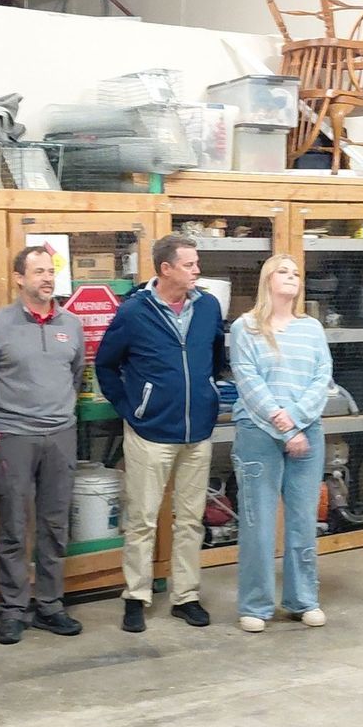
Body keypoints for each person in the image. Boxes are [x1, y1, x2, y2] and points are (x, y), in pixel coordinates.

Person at [94, 233, 227, 633]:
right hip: (150, 434)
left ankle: (185, 596)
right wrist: (132, 410)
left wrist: (207, 397)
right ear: (165, 268)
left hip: (197, 433)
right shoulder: (134, 312)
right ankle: (136, 596)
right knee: (142, 519)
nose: (197, 270)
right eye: (189, 264)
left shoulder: (208, 308)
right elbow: (106, 365)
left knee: (190, 520)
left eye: (197, 263)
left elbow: (216, 359)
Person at [0, 245, 85, 645]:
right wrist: (11, 418)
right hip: (14, 435)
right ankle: (13, 610)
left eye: (50, 270)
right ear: (19, 278)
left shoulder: (71, 324)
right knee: (15, 526)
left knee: (55, 524)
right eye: (38, 271)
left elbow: (75, 374)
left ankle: (50, 605)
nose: (47, 278)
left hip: (60, 435)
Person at [228, 255, 332, 632]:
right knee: (258, 525)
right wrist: (284, 426)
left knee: (304, 522)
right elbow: (248, 382)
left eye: (296, 273)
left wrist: (298, 421)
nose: (291, 278)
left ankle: (302, 600)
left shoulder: (312, 328)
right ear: (267, 280)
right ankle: (255, 605)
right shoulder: (246, 328)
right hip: (259, 435)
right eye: (283, 272)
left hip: (307, 432)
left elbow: (323, 378)